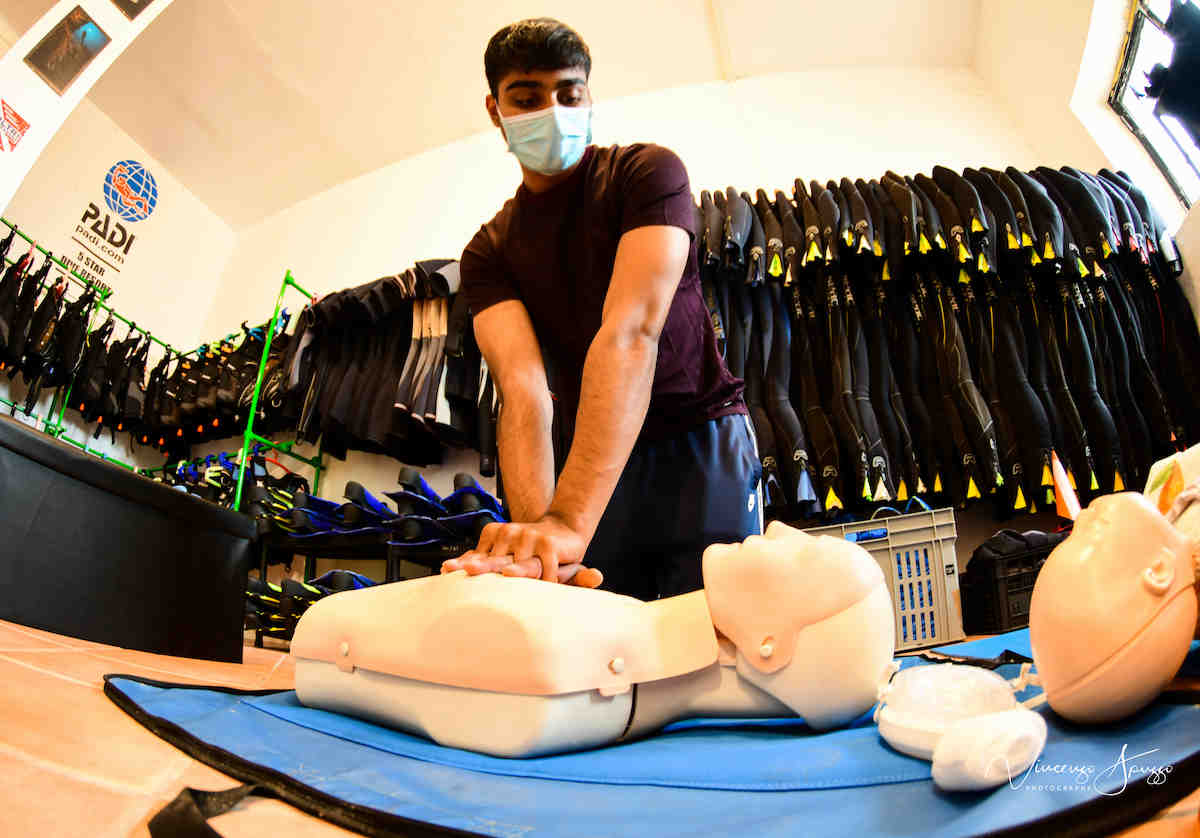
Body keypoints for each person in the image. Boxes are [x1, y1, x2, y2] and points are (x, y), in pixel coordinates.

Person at [441, 18, 759, 599]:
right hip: (592, 456)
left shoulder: (648, 174)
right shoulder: (487, 252)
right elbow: (523, 390)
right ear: (496, 110)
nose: (553, 110)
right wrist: (542, 544)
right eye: (528, 97)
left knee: (718, 635)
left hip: (699, 435)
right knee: (597, 636)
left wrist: (568, 523)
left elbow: (631, 334)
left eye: (569, 93)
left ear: (588, 96)